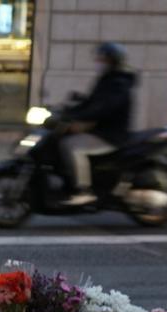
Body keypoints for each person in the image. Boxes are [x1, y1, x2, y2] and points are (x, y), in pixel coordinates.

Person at [61, 42, 136, 206]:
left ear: (113, 61)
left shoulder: (119, 84)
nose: (98, 62)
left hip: (110, 135)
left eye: (102, 59)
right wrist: (65, 112)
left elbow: (103, 109)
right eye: (98, 58)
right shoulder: (107, 79)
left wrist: (79, 118)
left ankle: (83, 190)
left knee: (72, 147)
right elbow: (91, 102)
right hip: (99, 131)